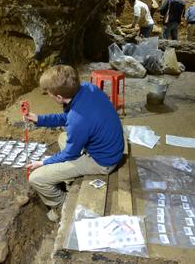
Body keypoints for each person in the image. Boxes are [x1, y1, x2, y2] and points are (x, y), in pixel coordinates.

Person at [25, 65, 124, 221]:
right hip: (111, 147)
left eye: (49, 94)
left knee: (36, 178)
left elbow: (69, 153)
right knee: (63, 137)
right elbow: (69, 117)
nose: (49, 96)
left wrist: (43, 162)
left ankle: (63, 205)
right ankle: (70, 178)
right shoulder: (87, 88)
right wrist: (39, 119)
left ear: (58, 97)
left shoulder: (78, 120)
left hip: (103, 161)